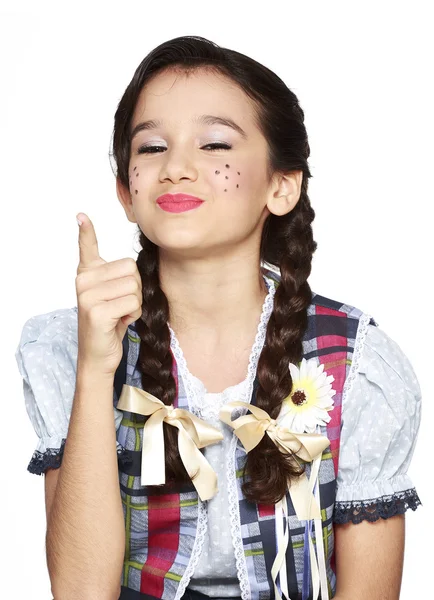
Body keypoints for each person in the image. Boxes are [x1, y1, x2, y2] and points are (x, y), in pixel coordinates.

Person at [15, 35, 422, 600]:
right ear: (125, 193)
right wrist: (94, 368)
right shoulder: (69, 344)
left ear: (281, 185)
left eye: (213, 144)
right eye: (152, 147)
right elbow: (82, 591)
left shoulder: (357, 362)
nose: (177, 167)